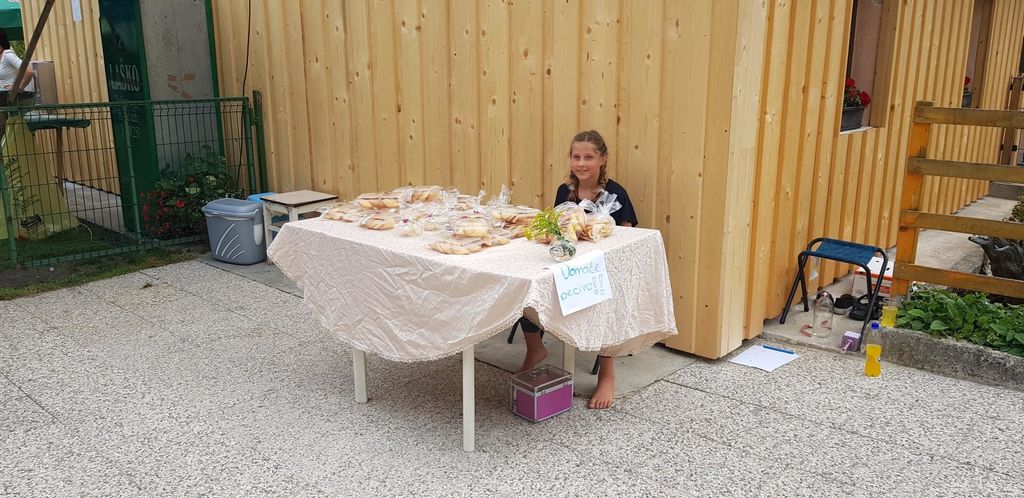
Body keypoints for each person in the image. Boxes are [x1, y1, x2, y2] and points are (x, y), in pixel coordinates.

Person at [517, 129, 638, 409]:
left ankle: (607, 374)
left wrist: (596, 234)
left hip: (602, 268)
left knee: (606, 299)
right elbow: (557, 226)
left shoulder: (615, 194)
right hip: (567, 263)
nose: (581, 163)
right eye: (576, 157)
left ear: (602, 159)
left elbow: (627, 236)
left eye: (588, 157)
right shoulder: (565, 191)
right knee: (528, 283)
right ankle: (535, 349)